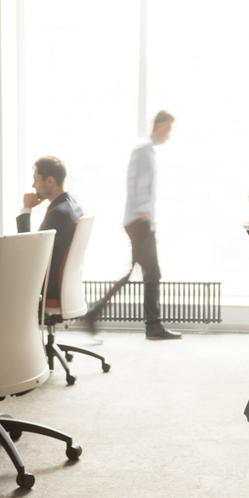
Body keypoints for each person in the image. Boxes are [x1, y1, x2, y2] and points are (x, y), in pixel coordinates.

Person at [0, 156, 83, 342]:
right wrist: (8, 248)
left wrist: (26, 208)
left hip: (42, 286)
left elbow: (31, 252)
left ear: (49, 181)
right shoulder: (71, 205)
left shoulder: (58, 213)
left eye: (35, 179)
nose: (33, 186)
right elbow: (35, 245)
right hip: (56, 284)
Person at [88, 110, 181, 340]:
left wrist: (151, 223)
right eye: (168, 129)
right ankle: (153, 326)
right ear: (159, 126)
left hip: (141, 221)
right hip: (138, 220)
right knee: (152, 273)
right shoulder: (143, 149)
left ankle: (95, 311)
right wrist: (144, 218)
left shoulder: (147, 149)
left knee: (138, 272)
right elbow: (137, 184)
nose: (169, 135)